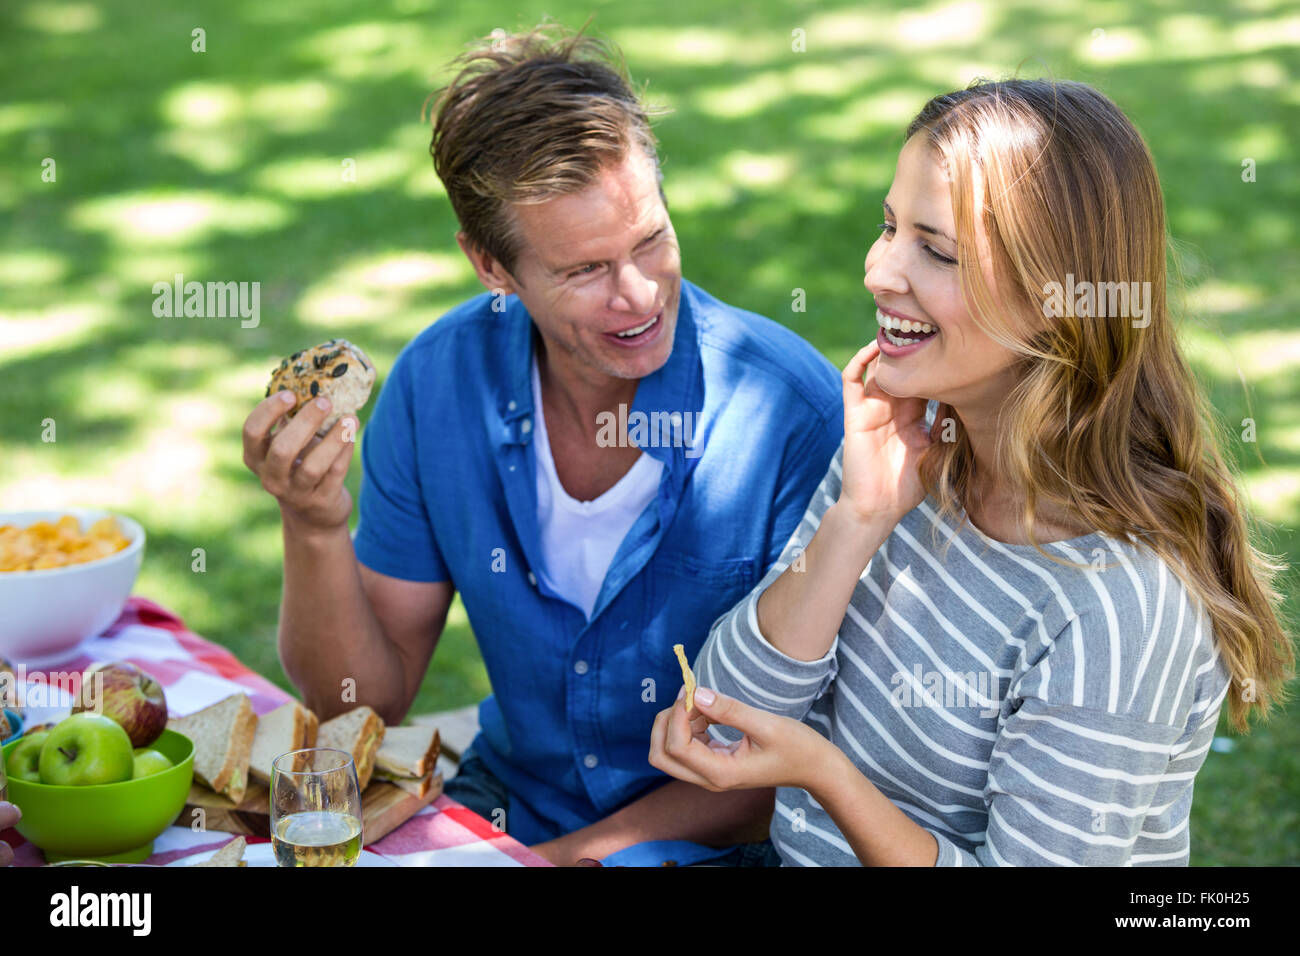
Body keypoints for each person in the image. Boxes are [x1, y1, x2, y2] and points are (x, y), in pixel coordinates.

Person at [649, 78, 1294, 865]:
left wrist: (824, 774)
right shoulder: (901, 454)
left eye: (937, 251)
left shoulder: (1120, 606)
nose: (880, 271)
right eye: (889, 227)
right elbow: (724, 721)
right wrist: (858, 519)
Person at [241, 26, 842, 867]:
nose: (637, 295)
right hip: (512, 806)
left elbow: (800, 762)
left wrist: (568, 860)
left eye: (650, 241)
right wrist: (311, 525)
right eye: (585, 270)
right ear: (493, 267)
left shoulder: (791, 414)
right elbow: (361, 699)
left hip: (725, 846)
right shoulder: (437, 385)